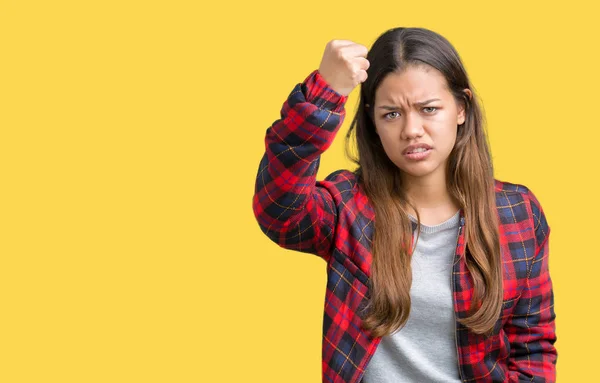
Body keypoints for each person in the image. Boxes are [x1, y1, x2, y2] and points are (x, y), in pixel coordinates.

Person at [252, 27, 557, 383]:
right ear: (373, 123)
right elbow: (278, 208)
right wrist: (325, 95)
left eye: (428, 109)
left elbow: (532, 348)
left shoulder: (517, 213)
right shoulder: (348, 206)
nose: (412, 130)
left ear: (461, 108)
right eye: (391, 114)